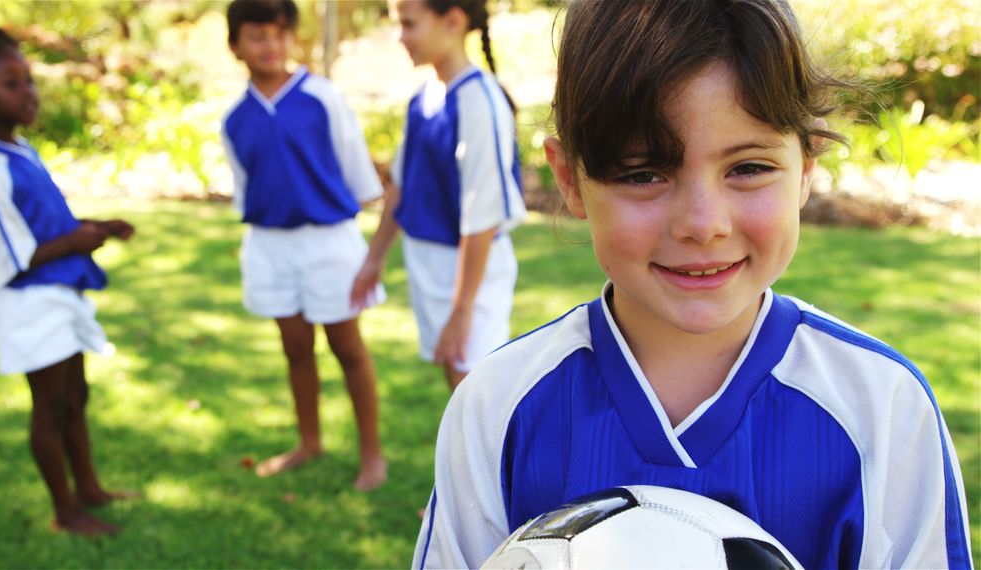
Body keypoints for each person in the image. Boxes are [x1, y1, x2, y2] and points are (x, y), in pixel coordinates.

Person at [412, 1, 972, 568]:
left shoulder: (883, 408)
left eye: (748, 168)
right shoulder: (497, 405)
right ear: (569, 179)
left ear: (807, 165)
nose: (704, 224)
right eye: (643, 174)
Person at [0, 29, 136, 537]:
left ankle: (89, 488)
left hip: (58, 293)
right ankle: (67, 511)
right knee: (50, 406)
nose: (28, 92)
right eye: (11, 84)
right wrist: (79, 242)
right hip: (29, 302)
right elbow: (13, 254)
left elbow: (45, 223)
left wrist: (96, 227)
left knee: (76, 397)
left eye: (29, 80)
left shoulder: (19, 150)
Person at [222, 0, 387, 491]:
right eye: (256, 36)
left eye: (278, 34)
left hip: (327, 242)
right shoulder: (234, 118)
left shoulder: (321, 97)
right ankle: (308, 442)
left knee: (347, 347)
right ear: (235, 46)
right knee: (295, 349)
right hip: (270, 245)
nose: (270, 45)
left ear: (291, 37)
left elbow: (357, 173)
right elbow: (244, 188)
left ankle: (372, 454)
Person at [351, 0, 527, 390]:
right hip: (429, 265)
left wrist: (463, 310)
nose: (400, 37)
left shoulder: (478, 101)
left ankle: (504, 455)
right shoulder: (423, 98)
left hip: (470, 275)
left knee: (480, 391)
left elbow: (482, 214)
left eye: (409, 24)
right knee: (459, 383)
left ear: (452, 22)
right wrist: (374, 259)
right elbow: (401, 185)